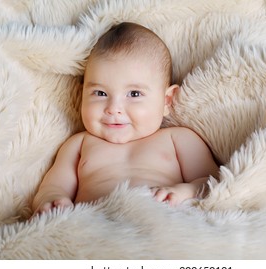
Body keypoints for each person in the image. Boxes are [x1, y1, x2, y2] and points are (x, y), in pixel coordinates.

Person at [31, 22, 218, 216]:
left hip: (162, 222)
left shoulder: (179, 140)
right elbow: (52, 187)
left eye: (134, 94)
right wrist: (52, 201)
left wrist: (184, 192)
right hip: (97, 228)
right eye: (100, 93)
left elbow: (214, 182)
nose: (113, 109)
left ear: (166, 101)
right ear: (82, 95)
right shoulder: (79, 144)